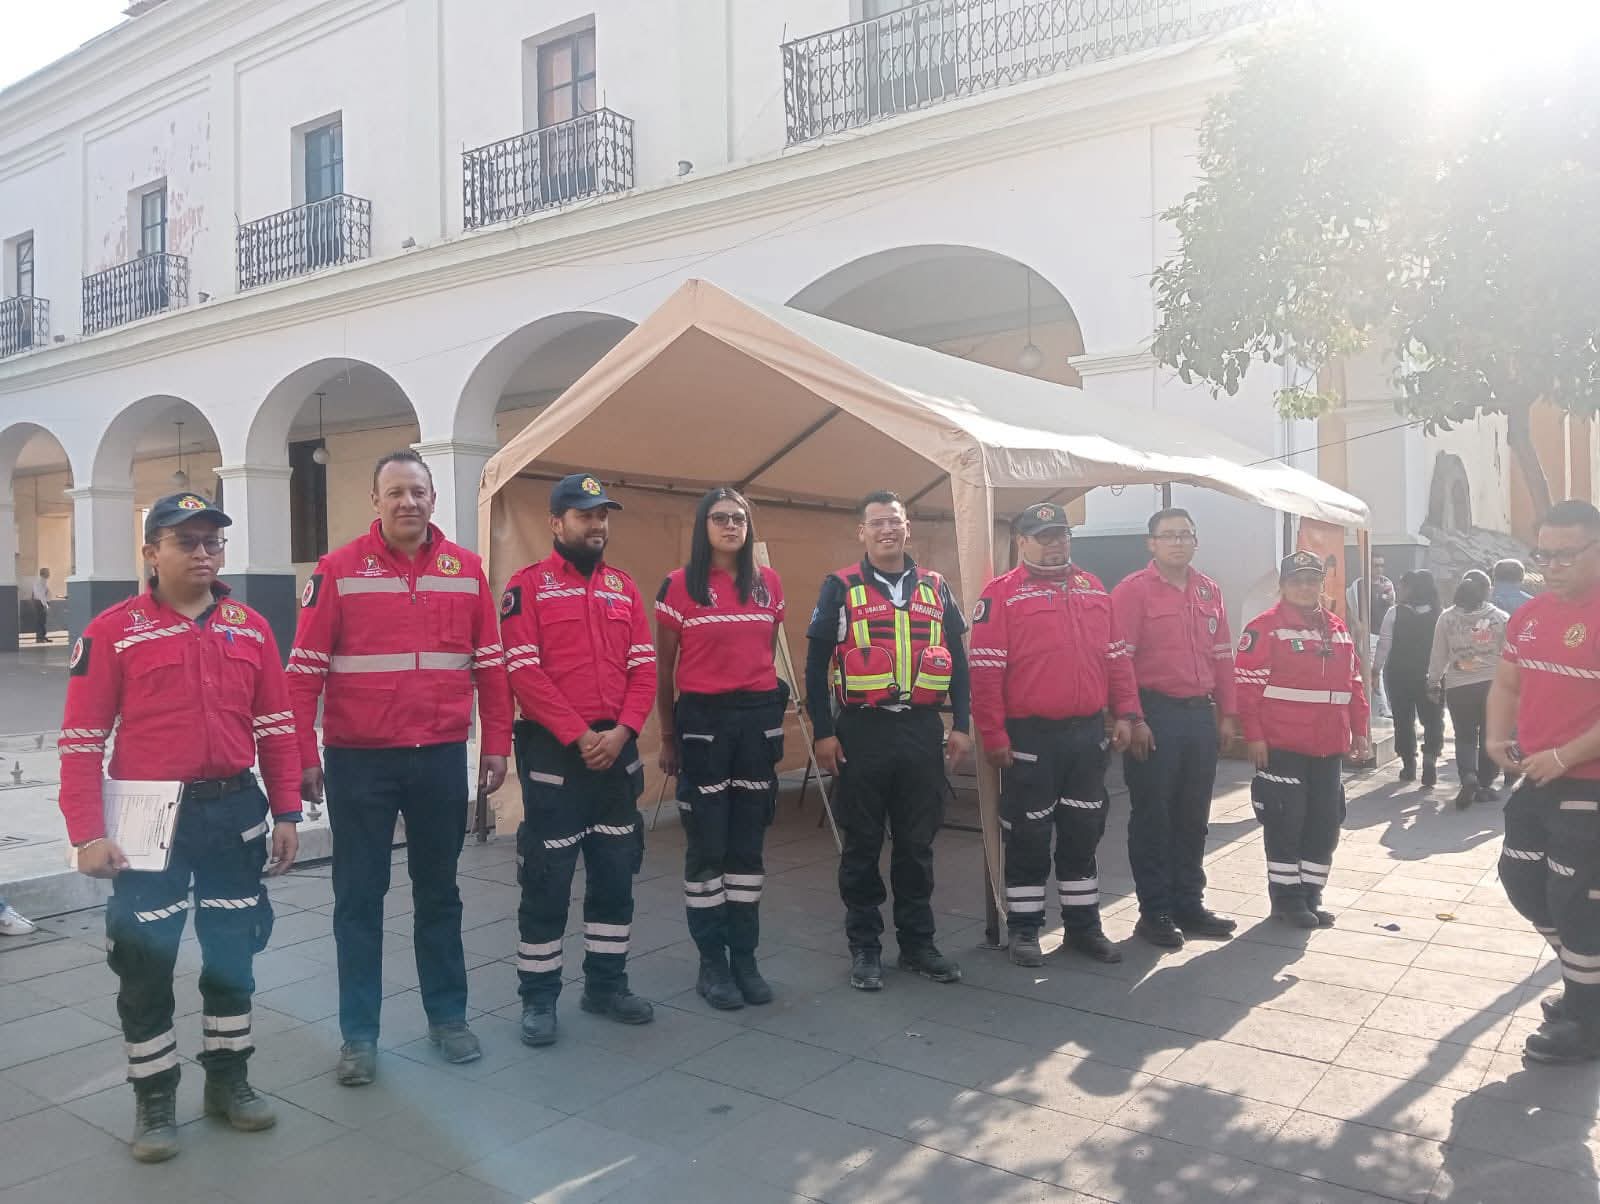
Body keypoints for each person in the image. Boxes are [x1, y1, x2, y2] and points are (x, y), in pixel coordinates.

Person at [58, 492, 300, 1163]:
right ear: (151, 552)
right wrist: (86, 832)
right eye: (185, 541)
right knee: (145, 962)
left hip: (232, 812)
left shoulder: (250, 628)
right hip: (145, 816)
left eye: (211, 542)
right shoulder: (112, 631)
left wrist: (285, 811)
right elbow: (81, 741)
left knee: (233, 956)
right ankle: (154, 1095)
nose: (202, 553)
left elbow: (277, 730)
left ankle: (229, 1080)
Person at [288, 450, 511, 1087]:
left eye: (418, 491)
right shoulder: (337, 570)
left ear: (434, 499)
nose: (408, 502)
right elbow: (302, 674)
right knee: (358, 901)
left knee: (439, 894)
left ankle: (448, 1019)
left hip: (439, 759)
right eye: (396, 492)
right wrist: (304, 759)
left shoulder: (466, 573)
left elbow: (490, 667)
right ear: (375, 502)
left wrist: (495, 743)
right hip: (359, 763)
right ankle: (359, 1036)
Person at [500, 472, 656, 1046]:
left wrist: (621, 733)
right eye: (586, 514)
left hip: (616, 752)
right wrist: (577, 734)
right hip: (554, 754)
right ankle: (539, 999)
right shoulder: (528, 587)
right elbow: (523, 670)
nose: (597, 524)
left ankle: (606, 985)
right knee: (546, 879)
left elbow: (644, 669)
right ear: (556, 523)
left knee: (616, 875)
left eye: (602, 515)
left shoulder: (623, 587)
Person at [805, 490, 972, 990]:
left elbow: (958, 663)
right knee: (862, 844)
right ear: (862, 532)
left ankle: (919, 944)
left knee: (917, 845)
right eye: (876, 523)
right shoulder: (840, 587)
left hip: (921, 730)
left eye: (894, 521)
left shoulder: (937, 588)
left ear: (907, 527)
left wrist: (961, 724)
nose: (886, 530)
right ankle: (866, 948)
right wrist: (824, 732)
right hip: (862, 730)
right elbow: (815, 668)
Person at [972, 502, 1138, 966]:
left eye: (1060, 534)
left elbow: (1117, 657)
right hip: (1030, 738)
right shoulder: (1001, 594)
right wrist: (994, 735)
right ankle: (1024, 929)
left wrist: (1127, 712)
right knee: (1027, 834)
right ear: (1020, 542)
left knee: (1084, 831)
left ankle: (1083, 926)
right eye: (1043, 536)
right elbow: (984, 672)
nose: (1054, 543)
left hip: (1087, 737)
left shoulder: (1093, 587)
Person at [655, 488, 786, 1010]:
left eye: (739, 518)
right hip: (702, 723)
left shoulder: (767, 584)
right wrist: (667, 736)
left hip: (756, 721)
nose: (731, 525)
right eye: (720, 518)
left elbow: (764, 652)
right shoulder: (679, 587)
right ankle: (712, 962)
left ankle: (745, 957)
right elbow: (664, 668)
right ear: (702, 526)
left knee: (748, 846)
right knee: (707, 846)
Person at [1487, 500, 1600, 1064]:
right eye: (1543, 554)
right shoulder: (1528, 615)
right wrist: (1492, 738)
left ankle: (1588, 1019)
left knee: (1577, 898)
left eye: (1566, 554)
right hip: (1538, 777)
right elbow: (1506, 684)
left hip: (1590, 785)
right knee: (1520, 877)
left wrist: (1566, 754)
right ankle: (1588, 987)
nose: (1552, 565)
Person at [1110, 508, 1238, 950]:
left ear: (1196, 542)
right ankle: (1155, 911)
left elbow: (1223, 656)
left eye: (1186, 534)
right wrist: (1132, 716)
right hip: (1155, 714)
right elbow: (1119, 659)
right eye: (1168, 536)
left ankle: (1189, 902)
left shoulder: (1208, 590)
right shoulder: (1133, 592)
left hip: (1199, 715)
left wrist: (1227, 713)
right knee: (1153, 816)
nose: (1178, 542)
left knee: (1194, 816)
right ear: (1151, 543)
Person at [1235, 551, 1369, 928]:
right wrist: (1255, 737)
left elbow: (1354, 684)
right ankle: (1287, 899)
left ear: (1321, 584)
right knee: (1284, 822)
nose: (1306, 587)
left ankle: (1311, 894)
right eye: (1297, 580)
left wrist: (1360, 731)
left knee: (1325, 822)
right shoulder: (1265, 628)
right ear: (1282, 586)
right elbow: (1247, 690)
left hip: (1329, 747)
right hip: (1283, 745)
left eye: (1312, 580)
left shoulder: (1338, 628)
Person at [1426, 570, 1508, 809]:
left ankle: (1468, 777)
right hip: (1493, 685)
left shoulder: (1446, 618)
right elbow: (1513, 654)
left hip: (1459, 686)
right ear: (1485, 590)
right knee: (1490, 735)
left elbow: (1438, 654)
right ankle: (1484, 784)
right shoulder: (1500, 618)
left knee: (1465, 735)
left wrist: (1433, 682)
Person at [1376, 571, 1444, 786]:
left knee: (1403, 720)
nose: (1399, 590)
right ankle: (1430, 759)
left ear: (1412, 588)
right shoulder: (1440, 614)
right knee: (1433, 719)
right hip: (1431, 675)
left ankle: (1408, 765)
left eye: (1403, 586)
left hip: (1398, 674)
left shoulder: (1394, 613)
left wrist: (1375, 670)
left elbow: (1384, 645)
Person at [30, 567, 50, 643]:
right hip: (39, 603)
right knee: (40, 620)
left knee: (43, 620)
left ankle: (42, 636)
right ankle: (39, 638)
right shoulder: (40, 581)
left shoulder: (43, 581)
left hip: (40, 602)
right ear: (43, 573)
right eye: (48, 572)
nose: (49, 574)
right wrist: (45, 605)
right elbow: (41, 595)